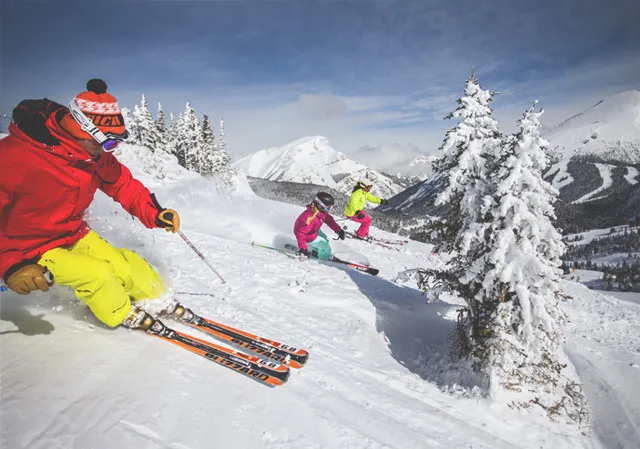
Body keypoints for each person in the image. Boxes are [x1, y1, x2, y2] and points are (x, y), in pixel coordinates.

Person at [0, 79, 180, 330]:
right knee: (97, 275)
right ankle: (120, 313)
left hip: (72, 234)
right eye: (108, 142)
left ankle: (157, 298)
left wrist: (154, 213)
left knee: (126, 264)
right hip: (29, 249)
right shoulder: (13, 156)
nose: (111, 150)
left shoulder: (92, 155)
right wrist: (10, 266)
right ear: (82, 130)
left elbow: (121, 183)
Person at [293, 192, 345, 260]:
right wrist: (303, 248)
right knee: (325, 245)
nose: (329, 210)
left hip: (312, 231)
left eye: (331, 207)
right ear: (320, 205)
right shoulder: (309, 218)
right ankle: (325, 257)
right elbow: (301, 234)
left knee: (324, 238)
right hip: (307, 236)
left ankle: (315, 249)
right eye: (328, 207)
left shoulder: (320, 212)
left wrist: (338, 230)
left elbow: (329, 220)